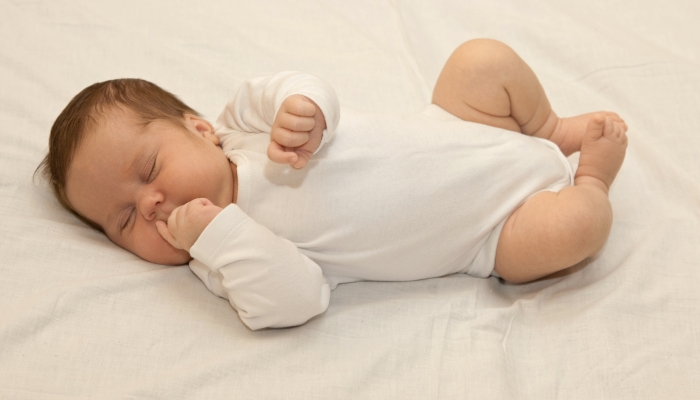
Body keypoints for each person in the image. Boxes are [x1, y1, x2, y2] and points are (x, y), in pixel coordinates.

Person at [38, 39, 627, 330]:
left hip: (463, 123)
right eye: (123, 220)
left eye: (148, 172)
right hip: (494, 231)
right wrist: (218, 235)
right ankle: (592, 180)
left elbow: (298, 83)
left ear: (198, 129)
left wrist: (306, 108)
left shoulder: (242, 123)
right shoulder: (224, 261)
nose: (150, 204)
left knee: (481, 61)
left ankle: (551, 129)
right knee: (575, 230)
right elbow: (297, 299)